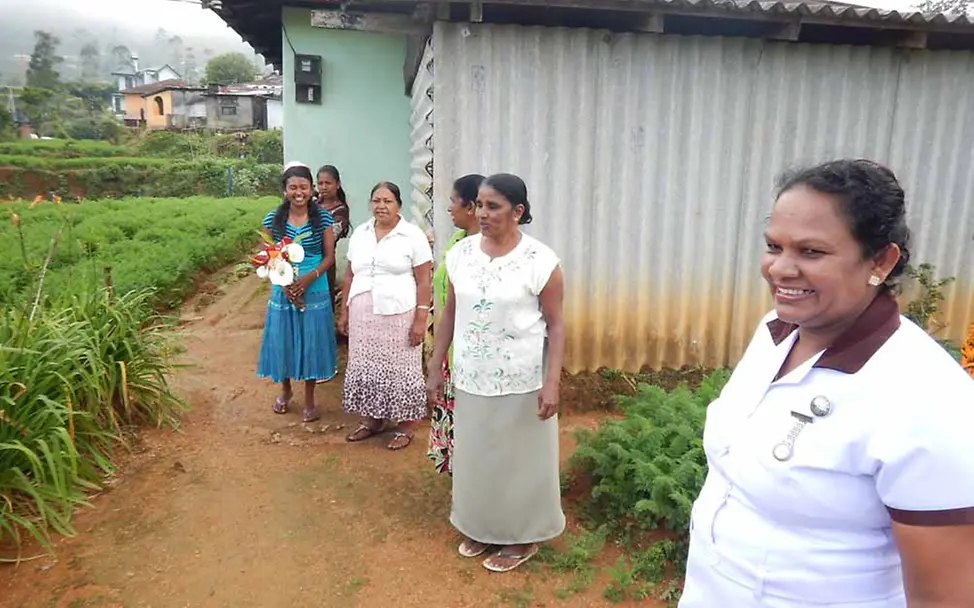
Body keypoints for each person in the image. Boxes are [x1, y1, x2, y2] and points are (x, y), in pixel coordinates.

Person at [679, 159, 974, 607]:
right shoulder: (774, 333)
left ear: (881, 260)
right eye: (773, 246)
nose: (780, 268)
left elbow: (945, 597)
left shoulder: (927, 401)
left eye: (811, 252)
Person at [427, 173, 566, 573]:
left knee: (519, 460)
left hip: (521, 378)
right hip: (471, 374)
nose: (482, 214)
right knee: (477, 455)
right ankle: (482, 526)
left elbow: (556, 325)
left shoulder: (541, 261)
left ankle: (522, 538)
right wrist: (436, 365)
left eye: (493, 206)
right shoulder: (461, 255)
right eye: (479, 205)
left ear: (518, 211)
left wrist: (552, 382)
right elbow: (450, 312)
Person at [339, 181, 433, 450]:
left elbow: (424, 281)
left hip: (398, 315)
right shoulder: (361, 233)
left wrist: (420, 319)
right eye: (376, 200)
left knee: (401, 370)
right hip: (363, 316)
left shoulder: (412, 236)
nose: (381, 206)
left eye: (388, 201)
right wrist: (344, 311)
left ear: (398, 205)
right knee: (367, 368)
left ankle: (406, 425)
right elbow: (350, 273)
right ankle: (372, 420)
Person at [257, 163, 339, 423]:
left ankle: (310, 398)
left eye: (304, 186)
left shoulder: (323, 218)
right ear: (284, 191)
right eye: (293, 187)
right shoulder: (272, 219)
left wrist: (306, 280)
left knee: (312, 341)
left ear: (311, 189)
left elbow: (328, 257)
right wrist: (285, 284)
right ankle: (286, 389)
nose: (299, 192)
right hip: (282, 285)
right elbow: (266, 255)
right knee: (284, 340)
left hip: (314, 286)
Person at [427, 173, 485, 476]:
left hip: (474, 355)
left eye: (453, 201)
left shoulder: (484, 250)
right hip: (451, 348)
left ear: (471, 207)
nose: (449, 208)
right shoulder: (457, 241)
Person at [315, 165, 351, 305]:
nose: (324, 187)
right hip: (306, 261)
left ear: (338, 184)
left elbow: (332, 235)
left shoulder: (340, 210)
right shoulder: (312, 204)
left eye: (328, 183)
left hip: (325, 262)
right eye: (320, 183)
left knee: (323, 301)